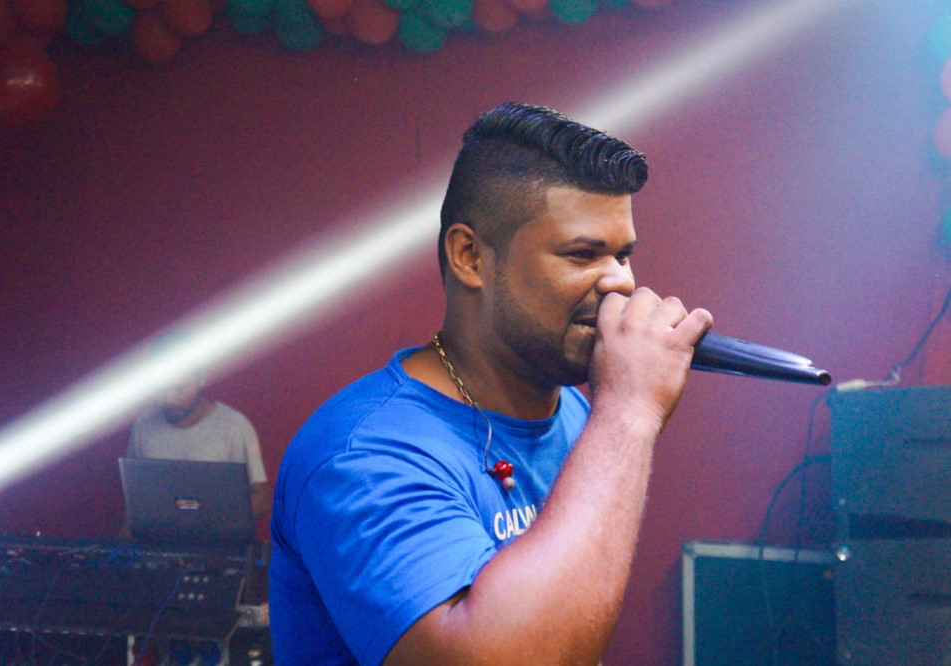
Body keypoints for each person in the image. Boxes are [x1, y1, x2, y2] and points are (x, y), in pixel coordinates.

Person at [268, 102, 713, 665]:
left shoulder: (573, 414)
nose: (620, 283)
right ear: (470, 256)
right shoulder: (363, 457)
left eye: (623, 255)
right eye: (583, 254)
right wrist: (627, 414)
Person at [125, 337, 272, 524]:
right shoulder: (143, 426)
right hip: (159, 539)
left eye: (179, 389)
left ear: (201, 377)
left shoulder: (234, 426)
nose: (168, 399)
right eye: (160, 389)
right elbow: (136, 500)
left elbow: (260, 498)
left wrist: (214, 526)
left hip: (217, 540)